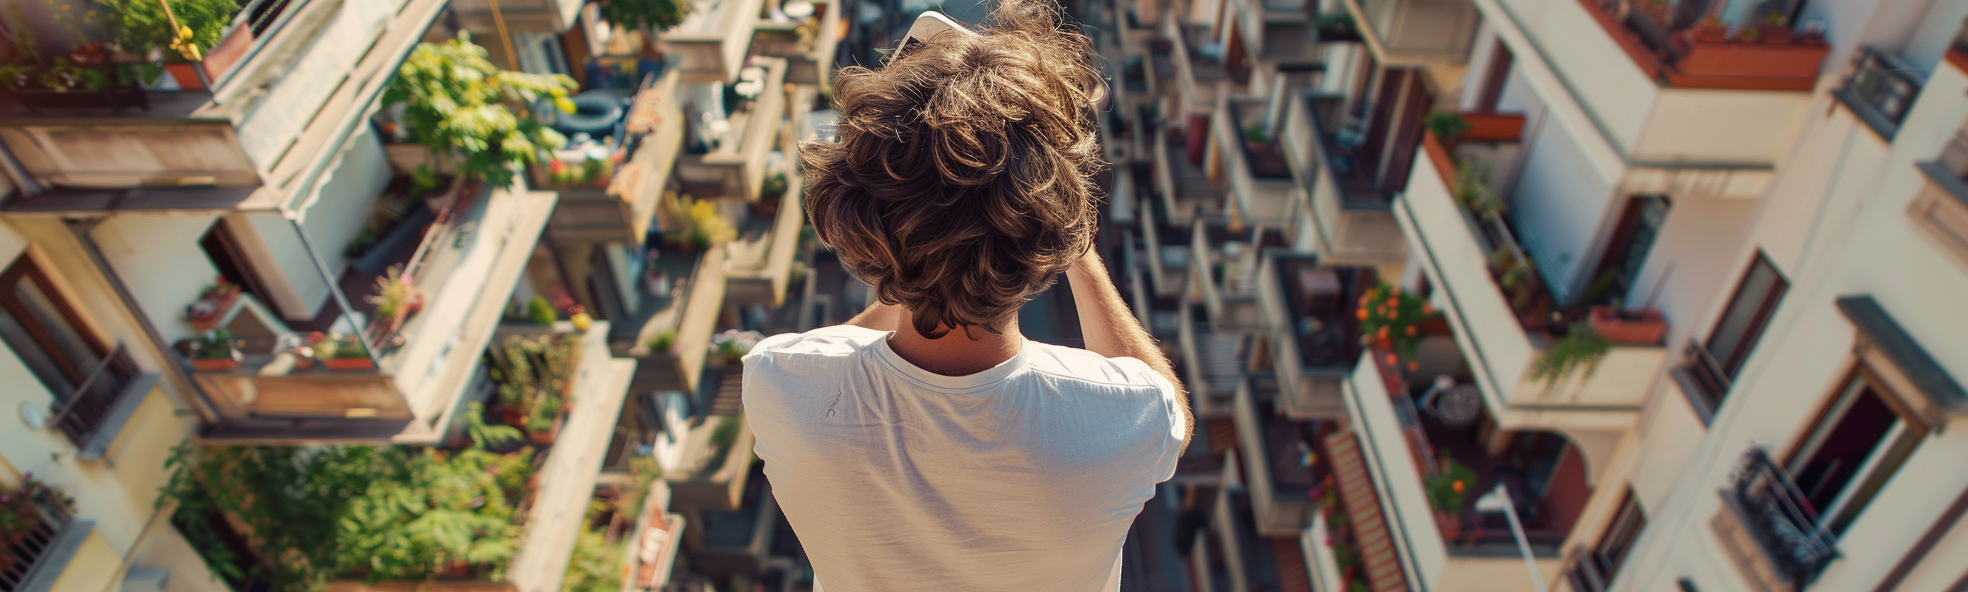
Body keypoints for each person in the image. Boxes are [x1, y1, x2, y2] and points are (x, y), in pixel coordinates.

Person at [741, 0, 1194, 590]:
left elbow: (846, 346)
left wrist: (914, 255)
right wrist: (1071, 229)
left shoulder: (782, 383)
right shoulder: (1119, 416)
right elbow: (1171, 412)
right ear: (1054, 230)